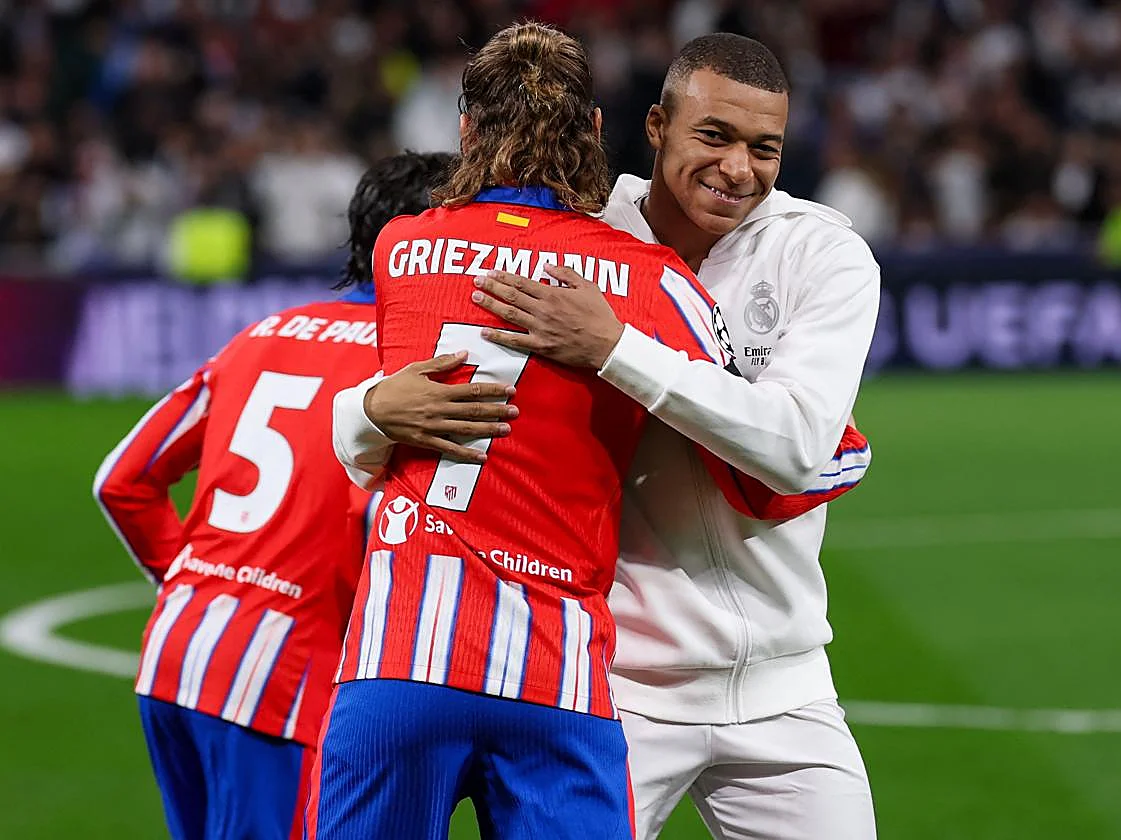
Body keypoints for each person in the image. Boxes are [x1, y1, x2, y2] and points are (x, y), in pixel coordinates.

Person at [308, 23, 869, 840]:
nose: (737, 168)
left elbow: (796, 451)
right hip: (620, 679)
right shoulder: (597, 242)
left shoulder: (823, 252)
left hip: (785, 682)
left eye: (764, 148)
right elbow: (423, 375)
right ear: (651, 129)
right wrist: (362, 413)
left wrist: (613, 348)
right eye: (713, 136)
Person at [92, 151, 454, 840]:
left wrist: (205, 588)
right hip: (277, 680)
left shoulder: (263, 332)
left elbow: (121, 479)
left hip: (178, 650)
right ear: (427, 245)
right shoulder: (408, 373)